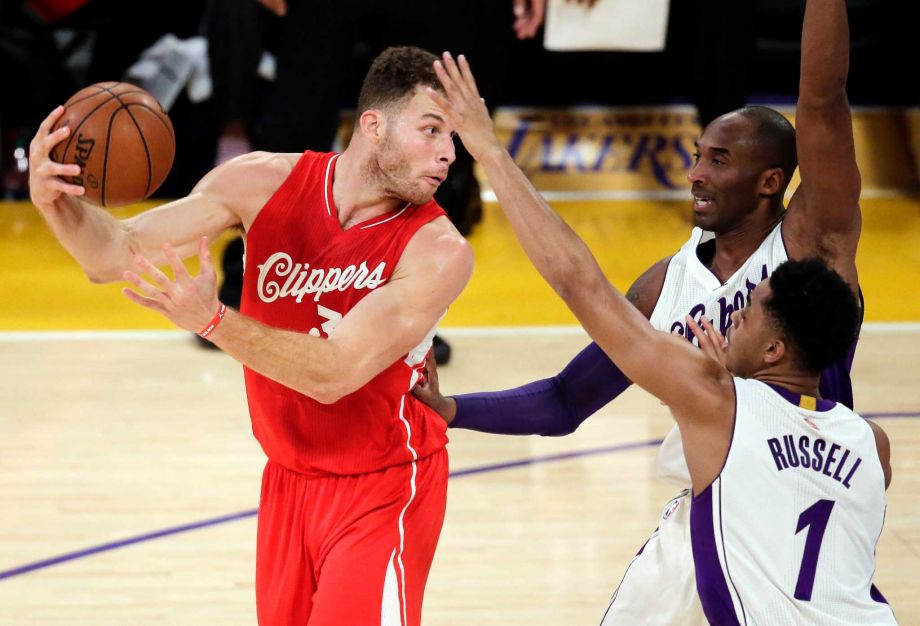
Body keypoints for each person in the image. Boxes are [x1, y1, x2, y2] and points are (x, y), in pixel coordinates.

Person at [415, 0, 865, 622]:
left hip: (806, 497)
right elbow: (567, 401)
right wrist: (456, 410)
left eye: (719, 160)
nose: (696, 174)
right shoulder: (666, 288)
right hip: (703, 515)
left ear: (770, 182)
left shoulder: (811, 245)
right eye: (698, 155)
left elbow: (821, 100)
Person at [28, 46, 473, 626]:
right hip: (287, 480)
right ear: (373, 125)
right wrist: (54, 201)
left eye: (454, 137)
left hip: (382, 489)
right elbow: (115, 252)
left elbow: (333, 373)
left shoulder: (438, 250)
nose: (447, 153)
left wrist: (212, 319)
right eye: (432, 130)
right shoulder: (260, 181)